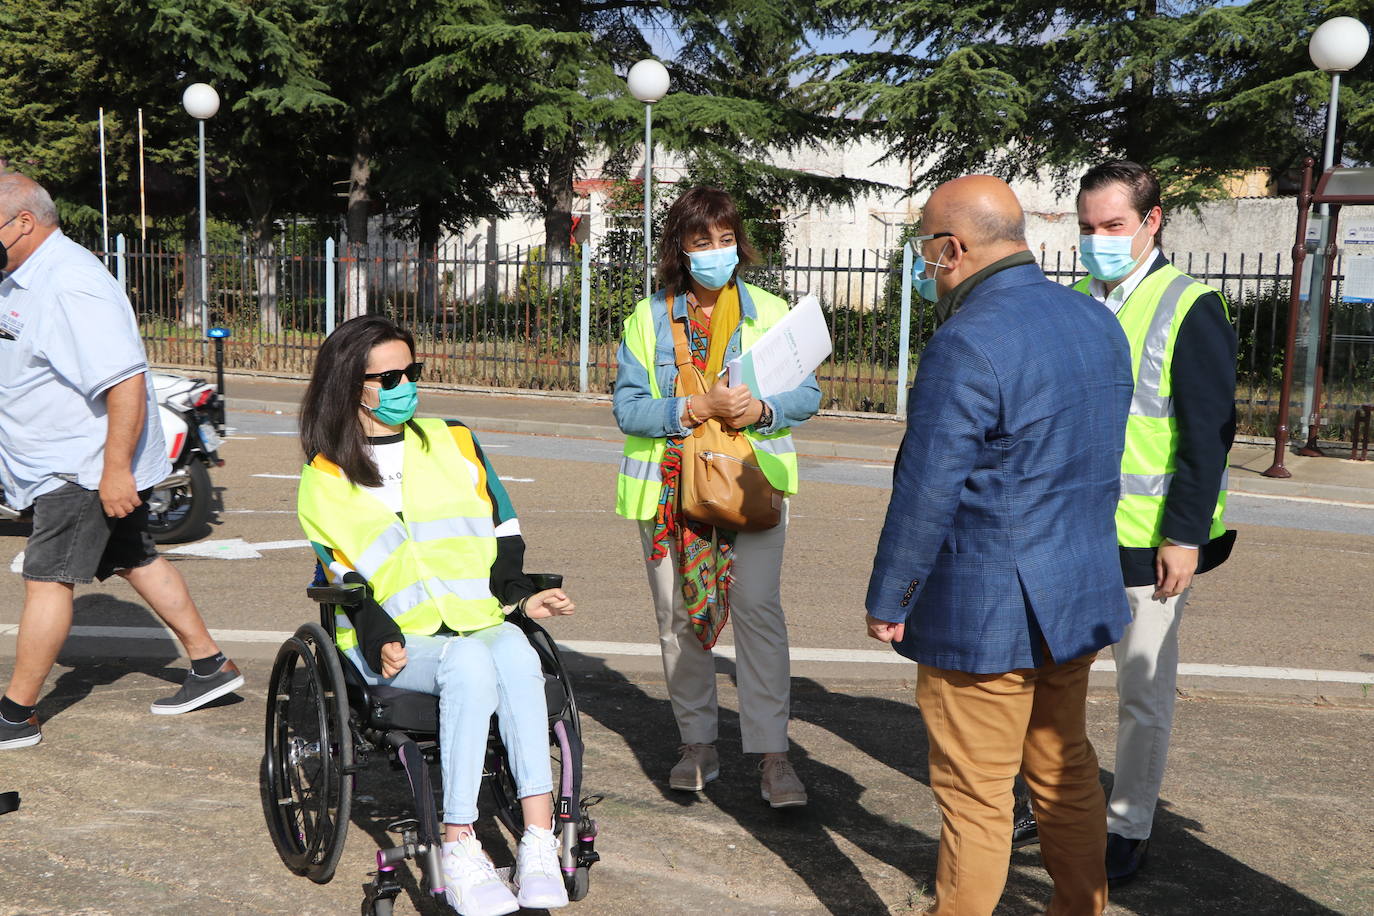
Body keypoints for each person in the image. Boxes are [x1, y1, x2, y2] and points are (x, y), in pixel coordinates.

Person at [865, 175, 1133, 915]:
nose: (925, 265)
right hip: (1075, 591)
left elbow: (926, 489)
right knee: (1066, 771)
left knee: (976, 797)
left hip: (983, 610)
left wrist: (892, 597)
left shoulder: (967, 340)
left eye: (926, 249)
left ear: (952, 249)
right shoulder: (1094, 321)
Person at [296, 315, 574, 916]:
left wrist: (521, 598)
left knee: (518, 655)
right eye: (389, 376)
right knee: (473, 663)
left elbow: (502, 528)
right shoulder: (324, 476)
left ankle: (538, 839)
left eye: (411, 371)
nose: (405, 386)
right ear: (352, 386)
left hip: (473, 617)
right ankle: (458, 841)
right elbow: (340, 572)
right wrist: (375, 628)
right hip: (398, 639)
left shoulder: (453, 439)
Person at [1012, 160, 1236, 883]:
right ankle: (1044, 796)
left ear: (1152, 221)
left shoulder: (1188, 304)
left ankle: (1129, 822)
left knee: (1141, 690)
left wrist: (1184, 536)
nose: (1097, 240)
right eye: (1086, 228)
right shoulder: (1075, 298)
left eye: (1112, 226)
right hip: (1071, 530)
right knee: (1051, 679)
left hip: (1149, 542)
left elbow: (1208, 435)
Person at [0, 173, 243, 751]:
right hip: (53, 461)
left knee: (48, 580)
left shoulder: (73, 283)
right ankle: (211, 665)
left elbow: (126, 383)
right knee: (135, 557)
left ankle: (15, 714)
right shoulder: (20, 276)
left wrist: (114, 472)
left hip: (78, 467)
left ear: (24, 223)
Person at [612, 187, 820, 806]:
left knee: (758, 611)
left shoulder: (770, 310)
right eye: (703, 242)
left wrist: (761, 408)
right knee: (679, 620)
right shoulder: (647, 318)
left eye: (726, 240)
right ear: (680, 247)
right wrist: (692, 407)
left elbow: (806, 398)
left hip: (753, 488)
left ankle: (773, 756)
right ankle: (697, 744)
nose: (716, 252)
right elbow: (628, 408)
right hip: (668, 495)